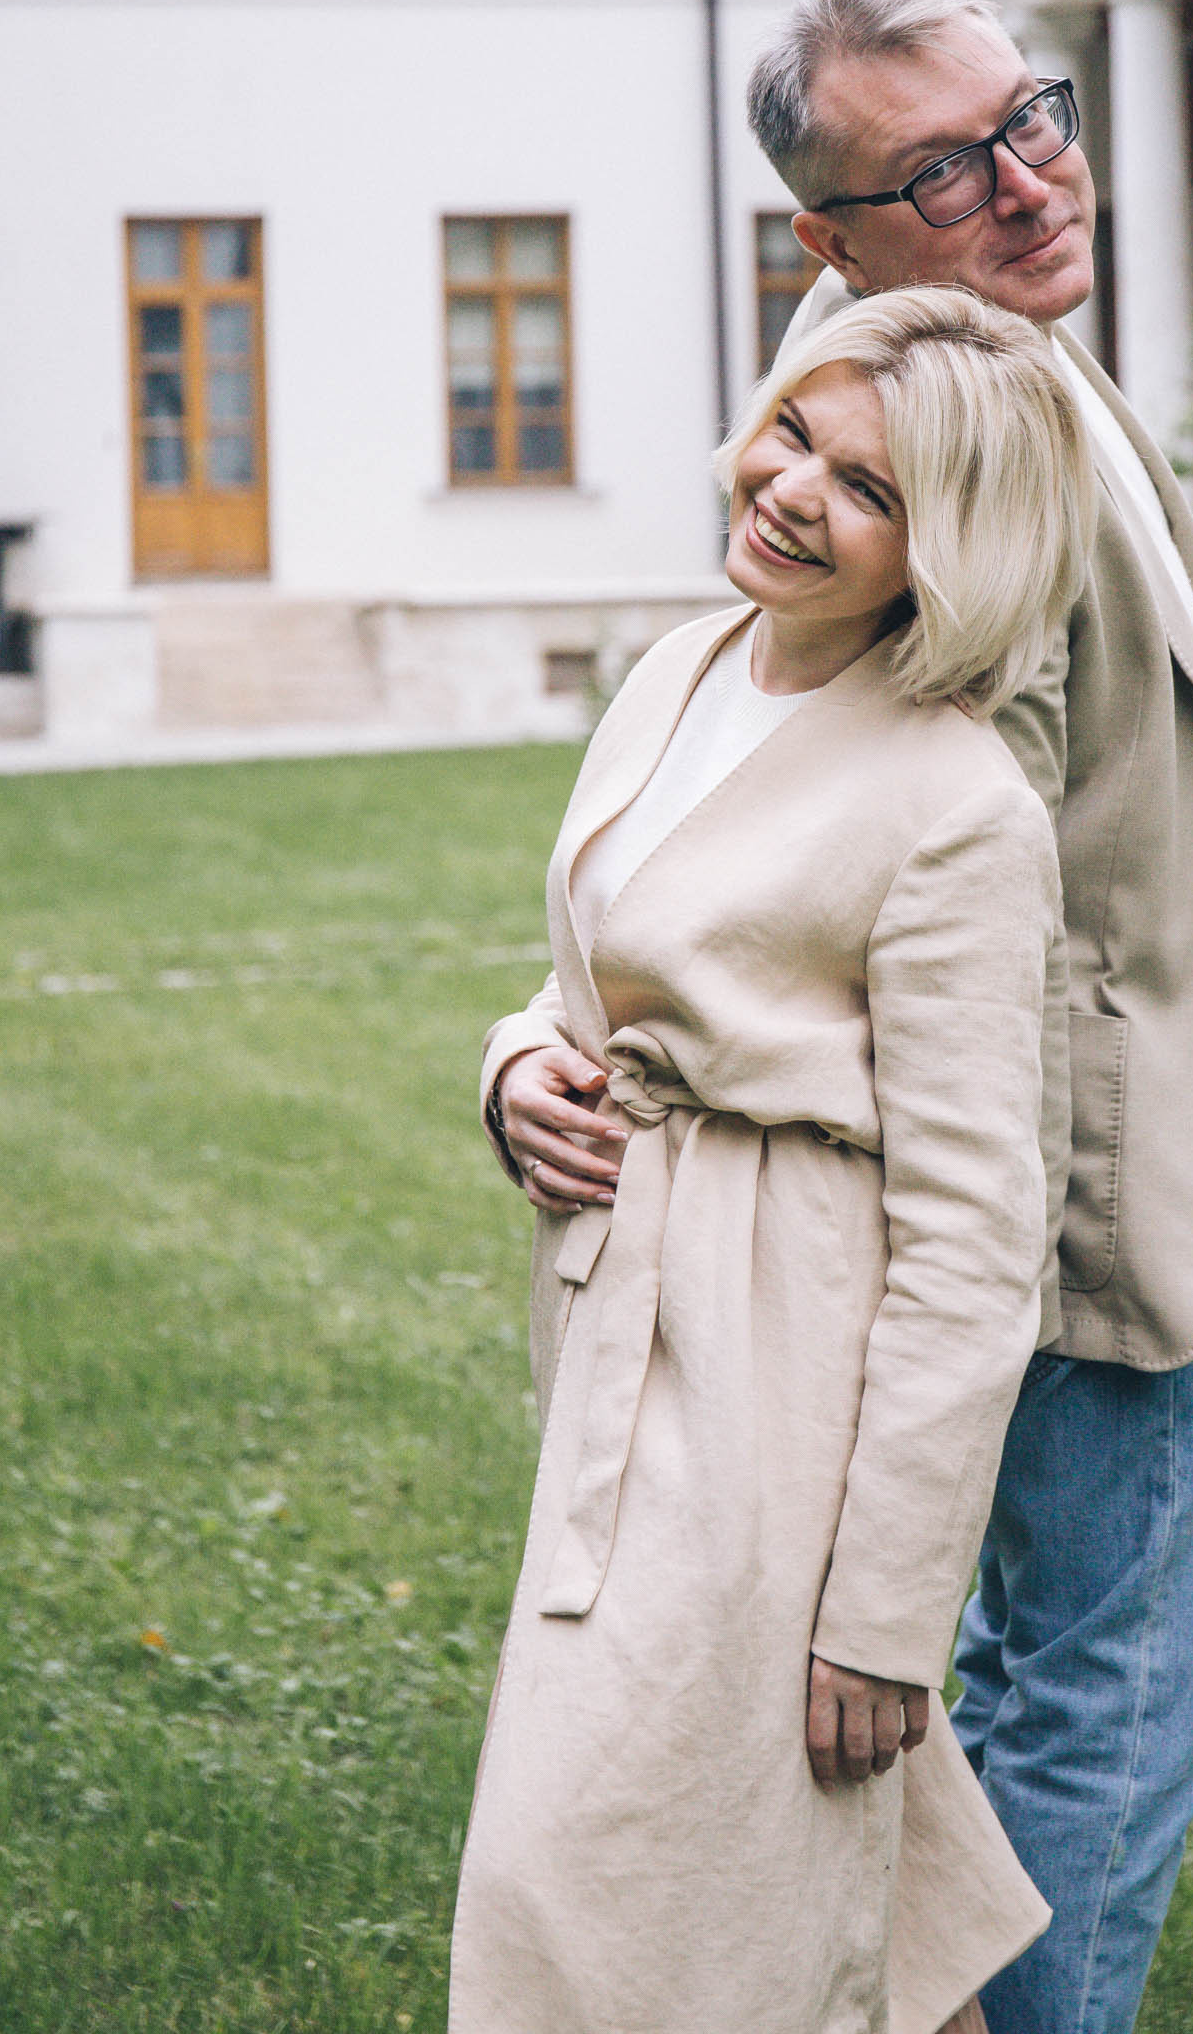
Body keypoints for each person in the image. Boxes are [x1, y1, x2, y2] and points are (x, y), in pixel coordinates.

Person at [729, 0, 1193, 2034]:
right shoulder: (895, 448)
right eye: (945, 172)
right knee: (1102, 1712)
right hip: (1070, 1182)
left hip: (1128, 1136)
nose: (1029, 183)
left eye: (1028, 117)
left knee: (1038, 1694)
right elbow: (864, 848)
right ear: (832, 238)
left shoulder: (980, 347)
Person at [451, 286, 1096, 2034]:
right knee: (826, 1878)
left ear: (945, 550)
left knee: (578, 1863)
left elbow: (977, 1241)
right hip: (617, 1320)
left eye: (869, 489)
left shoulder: (961, 805)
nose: (796, 489)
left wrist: (885, 1609)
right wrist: (516, 1068)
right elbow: (598, 979)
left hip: (777, 1367)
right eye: (796, 433)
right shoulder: (679, 671)